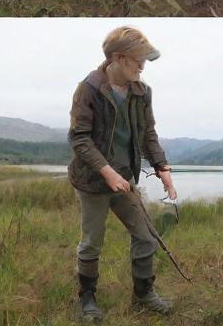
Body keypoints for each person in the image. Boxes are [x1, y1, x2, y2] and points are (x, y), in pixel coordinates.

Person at [68, 26, 177, 320]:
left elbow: (148, 134)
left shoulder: (142, 92)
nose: (142, 66)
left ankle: (143, 294)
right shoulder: (89, 89)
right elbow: (80, 138)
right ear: (118, 58)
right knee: (92, 241)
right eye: (137, 60)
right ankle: (87, 298)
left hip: (125, 178)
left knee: (146, 236)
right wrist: (106, 172)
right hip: (92, 181)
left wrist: (162, 167)